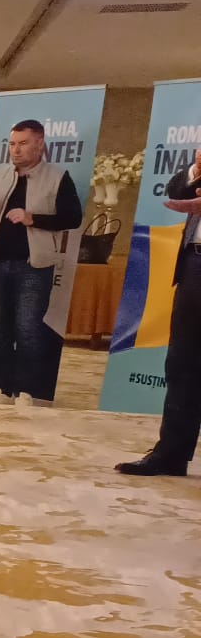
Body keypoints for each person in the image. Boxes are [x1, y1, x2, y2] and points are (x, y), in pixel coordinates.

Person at [0, 118, 84, 406]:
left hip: (33, 267)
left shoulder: (58, 177)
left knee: (28, 328)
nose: (15, 150)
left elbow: (73, 218)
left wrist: (33, 218)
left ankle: (26, 391)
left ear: (39, 144)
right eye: (12, 144)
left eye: (23, 143)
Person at [118, 159, 201, 476]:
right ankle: (171, 454)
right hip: (194, 265)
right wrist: (195, 171)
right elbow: (176, 191)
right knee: (182, 363)